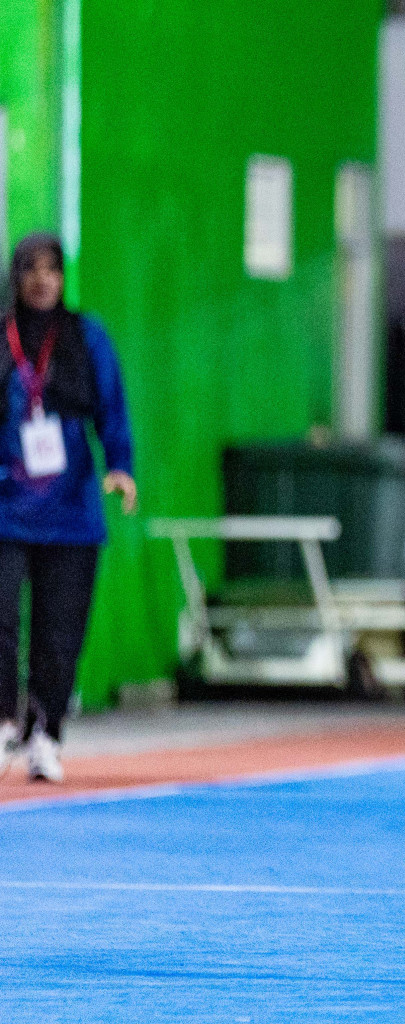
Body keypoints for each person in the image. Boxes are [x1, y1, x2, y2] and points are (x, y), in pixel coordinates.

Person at [0, 232, 134, 782]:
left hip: (72, 511)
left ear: (62, 278)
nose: (41, 280)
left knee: (59, 635)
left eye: (51, 270)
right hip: (6, 509)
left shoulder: (86, 337)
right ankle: (6, 717)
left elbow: (112, 405)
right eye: (30, 269)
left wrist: (120, 466)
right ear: (16, 276)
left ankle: (47, 733)